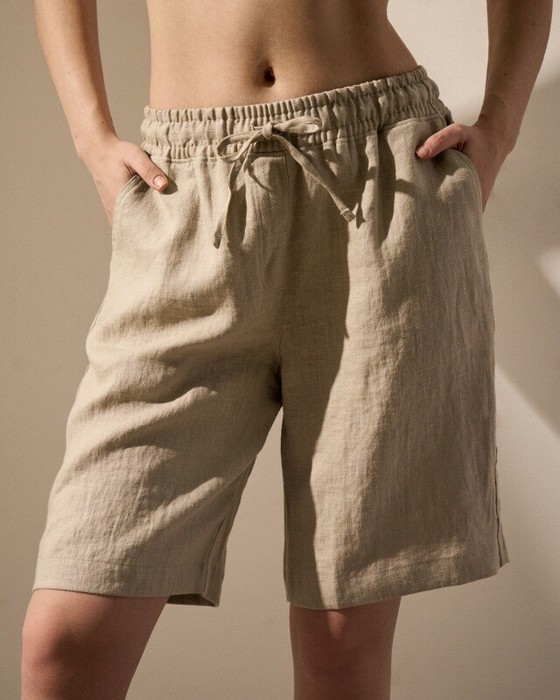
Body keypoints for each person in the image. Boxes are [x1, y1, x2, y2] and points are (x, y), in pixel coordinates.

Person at [21, 0, 551, 697]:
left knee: (343, 642)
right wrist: (92, 138)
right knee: (64, 639)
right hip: (187, 189)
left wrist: (500, 128)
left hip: (381, 179)